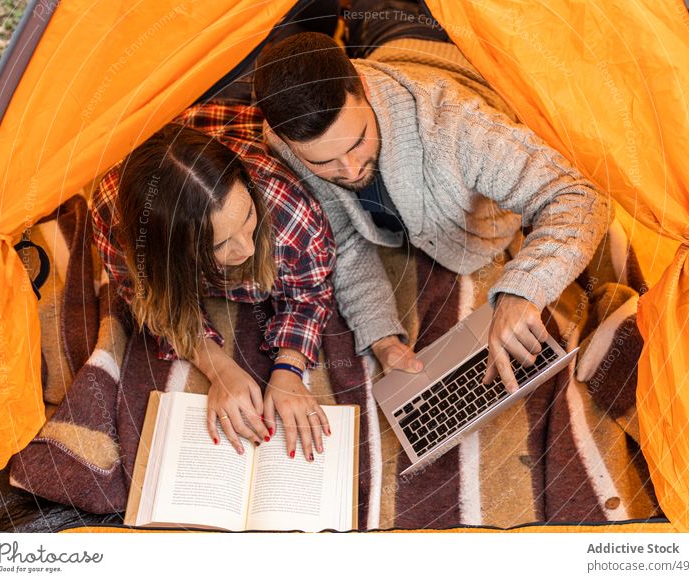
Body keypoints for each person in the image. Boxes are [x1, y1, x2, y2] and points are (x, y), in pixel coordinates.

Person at [252, 2, 612, 393]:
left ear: (364, 87)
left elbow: (580, 196)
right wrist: (383, 340)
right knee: (284, 29)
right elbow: (344, 241)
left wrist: (523, 289)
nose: (352, 170)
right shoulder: (283, 141)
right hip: (389, 53)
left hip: (433, 49)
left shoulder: (456, 126)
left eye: (357, 143)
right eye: (326, 163)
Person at [90, 103, 337, 463]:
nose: (248, 248)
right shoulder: (118, 224)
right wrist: (218, 368)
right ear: (168, 254)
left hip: (233, 102)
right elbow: (153, 301)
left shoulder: (286, 206)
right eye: (220, 244)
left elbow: (311, 292)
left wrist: (288, 368)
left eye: (248, 216)